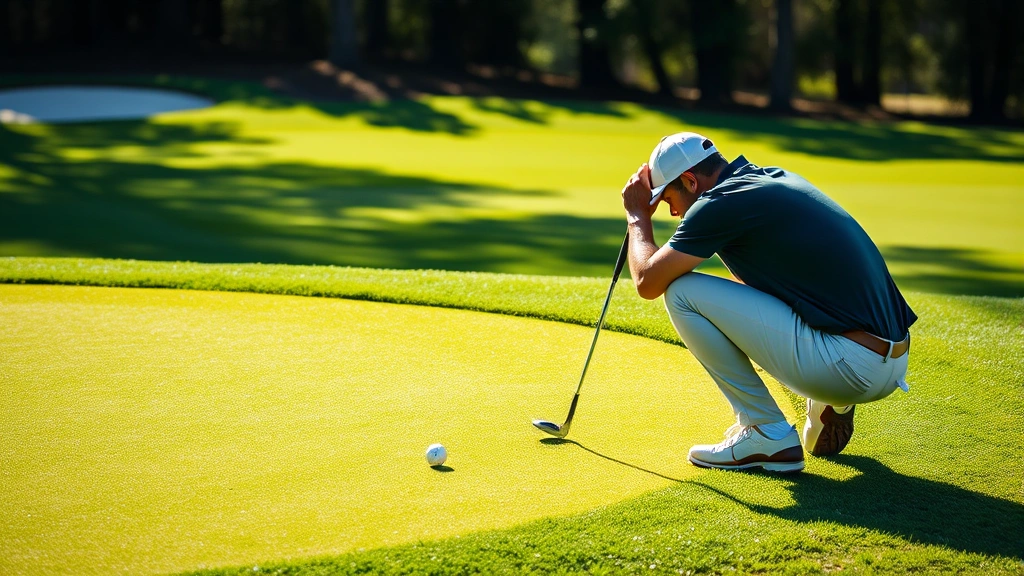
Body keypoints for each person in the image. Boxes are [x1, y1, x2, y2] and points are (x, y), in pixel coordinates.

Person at [620, 132, 916, 473]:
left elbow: (647, 282)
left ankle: (765, 431)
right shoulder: (772, 177)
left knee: (681, 292)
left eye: (670, 199)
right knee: (741, 288)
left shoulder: (718, 203)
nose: (672, 212)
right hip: (892, 360)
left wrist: (637, 216)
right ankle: (834, 399)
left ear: (690, 180)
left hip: (847, 364)